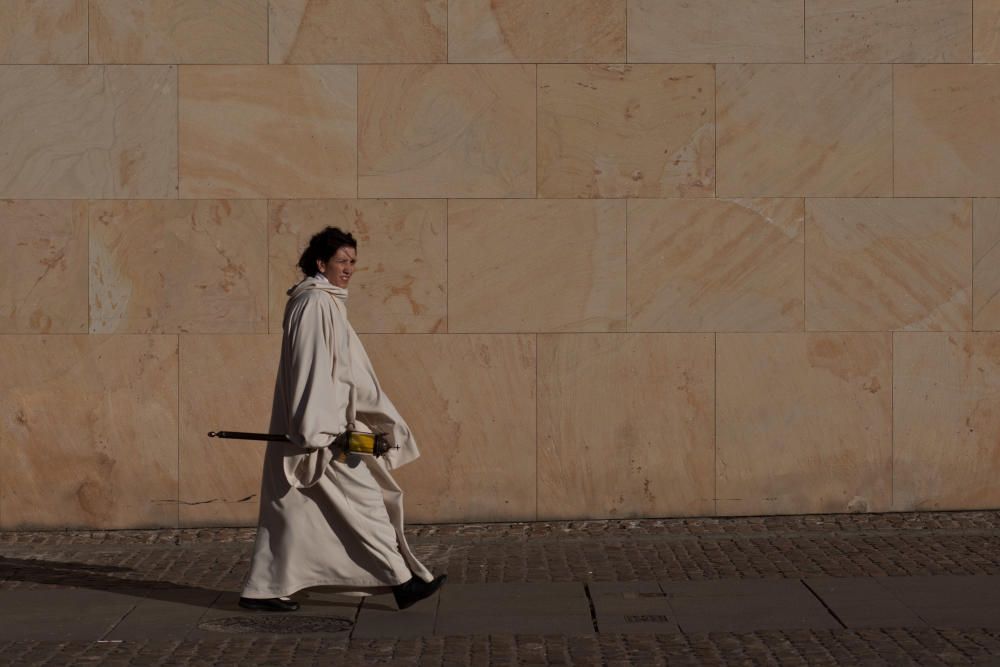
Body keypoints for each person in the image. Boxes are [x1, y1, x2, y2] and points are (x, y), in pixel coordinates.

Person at [239, 226, 446, 612]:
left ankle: (263, 588)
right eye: (342, 261)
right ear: (322, 263)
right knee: (367, 503)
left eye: (353, 262)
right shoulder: (316, 304)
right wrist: (319, 431)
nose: (349, 268)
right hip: (323, 434)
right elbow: (314, 370)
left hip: (320, 428)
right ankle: (403, 583)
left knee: (293, 512)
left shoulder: (320, 301)